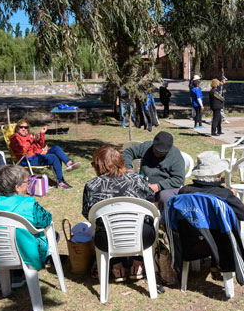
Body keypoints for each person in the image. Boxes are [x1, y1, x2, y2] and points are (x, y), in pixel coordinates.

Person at [82, 146, 155, 281]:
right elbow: (151, 201)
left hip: (107, 240)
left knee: (105, 227)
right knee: (142, 222)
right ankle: (137, 265)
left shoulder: (91, 185)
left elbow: (88, 214)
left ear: (98, 164)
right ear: (121, 161)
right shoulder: (136, 179)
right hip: (141, 237)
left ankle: (117, 267)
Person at [0, 165, 56, 286]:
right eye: (27, 181)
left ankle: (11, 277)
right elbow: (46, 220)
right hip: (25, 254)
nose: (28, 184)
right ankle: (20, 274)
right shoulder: (28, 204)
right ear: (17, 187)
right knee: (54, 235)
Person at [122, 131, 185, 211]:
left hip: (163, 189)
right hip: (143, 183)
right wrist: (129, 169)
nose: (157, 155)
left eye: (161, 154)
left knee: (164, 197)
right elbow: (127, 152)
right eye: (156, 151)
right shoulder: (146, 147)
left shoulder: (175, 156)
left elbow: (179, 179)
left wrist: (158, 186)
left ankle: (164, 220)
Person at [9, 119, 80, 190]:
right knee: (54, 157)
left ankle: (69, 163)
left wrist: (41, 134)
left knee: (56, 148)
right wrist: (30, 139)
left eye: (26, 127)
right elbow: (23, 150)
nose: (24, 129)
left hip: (38, 154)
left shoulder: (28, 136)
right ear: (17, 128)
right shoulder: (15, 139)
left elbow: (40, 146)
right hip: (28, 159)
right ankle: (61, 183)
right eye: (21, 127)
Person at [179, 151, 244, 222]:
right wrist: (234, 196)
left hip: (190, 231)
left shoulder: (185, 191)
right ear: (219, 174)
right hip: (217, 232)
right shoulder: (224, 195)